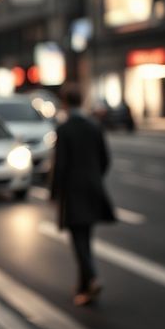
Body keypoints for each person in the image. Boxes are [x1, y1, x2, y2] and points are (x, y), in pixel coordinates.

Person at [50, 83, 116, 306]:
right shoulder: (94, 126)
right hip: (93, 187)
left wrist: (54, 194)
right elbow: (105, 159)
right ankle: (83, 288)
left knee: (78, 239)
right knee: (85, 236)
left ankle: (93, 277)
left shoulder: (65, 129)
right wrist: (95, 177)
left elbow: (60, 166)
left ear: (65, 103)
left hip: (74, 190)